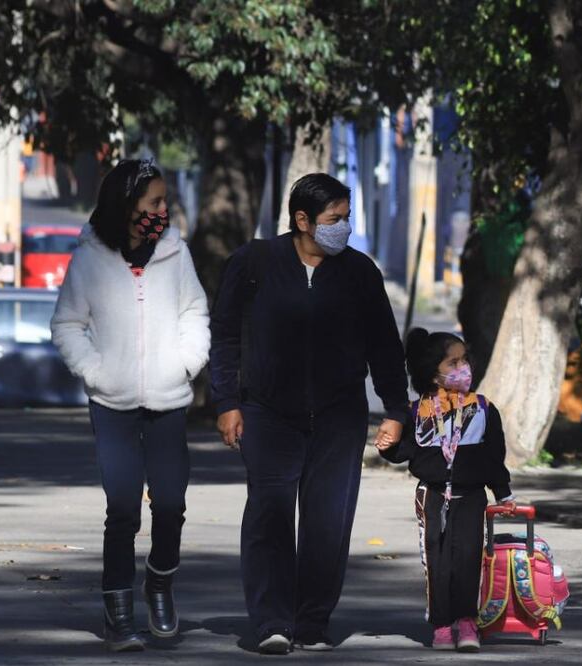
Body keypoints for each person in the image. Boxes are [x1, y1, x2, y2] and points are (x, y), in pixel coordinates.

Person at [209, 173, 409, 654]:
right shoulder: (256, 262)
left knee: (327, 523)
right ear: (302, 221)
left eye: (346, 218)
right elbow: (225, 334)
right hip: (268, 414)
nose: (343, 227)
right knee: (270, 517)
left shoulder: (360, 273)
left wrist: (395, 409)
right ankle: (272, 621)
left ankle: (312, 620)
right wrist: (226, 402)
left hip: (339, 417)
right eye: (332, 219)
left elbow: (384, 345)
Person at [51, 158, 209, 651]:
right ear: (127, 207)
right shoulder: (91, 258)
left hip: (167, 397)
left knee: (170, 502)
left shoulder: (174, 254)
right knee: (122, 507)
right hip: (112, 402)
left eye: (164, 201)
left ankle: (159, 581)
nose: (163, 210)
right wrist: (96, 372)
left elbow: (194, 312)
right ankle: (118, 611)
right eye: (154, 202)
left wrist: (186, 362)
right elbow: (66, 325)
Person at [376, 328, 515, 653]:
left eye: (464, 360)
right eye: (453, 362)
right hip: (432, 496)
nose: (462, 367)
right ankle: (441, 625)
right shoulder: (418, 411)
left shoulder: (483, 409)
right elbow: (405, 452)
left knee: (468, 560)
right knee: (437, 562)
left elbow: (494, 456)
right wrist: (387, 447)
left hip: (471, 498)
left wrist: (503, 492)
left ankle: (467, 623)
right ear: (432, 370)